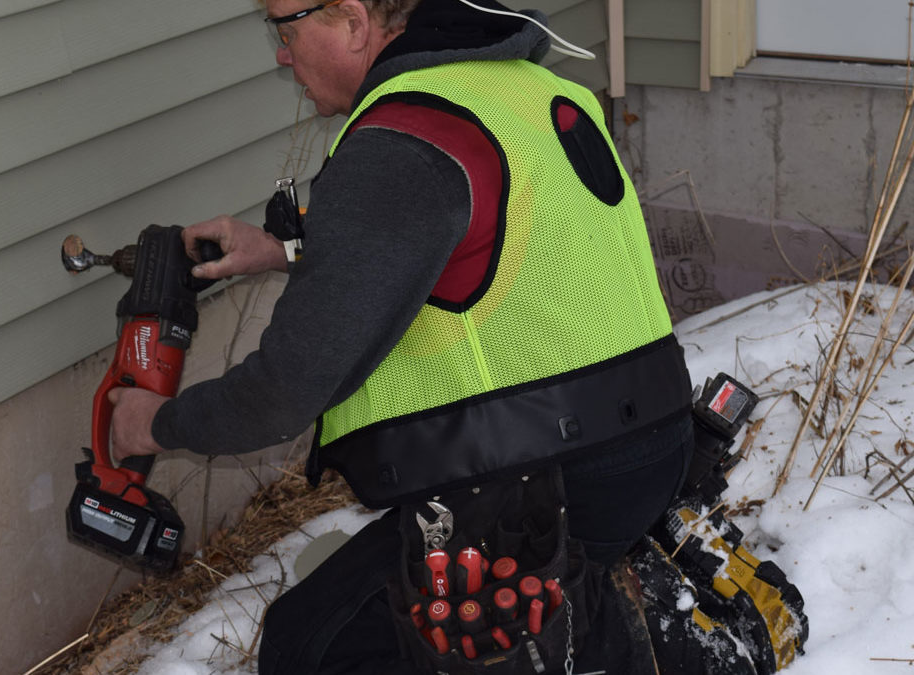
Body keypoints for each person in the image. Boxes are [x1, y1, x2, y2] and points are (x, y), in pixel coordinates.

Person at [107, 0, 694, 671]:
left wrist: (157, 424)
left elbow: (284, 391)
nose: (280, 52)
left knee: (313, 644)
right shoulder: (527, 89)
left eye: (285, 28)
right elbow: (483, 244)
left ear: (354, 20)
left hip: (539, 491)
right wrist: (289, 250)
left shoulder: (399, 137)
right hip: (645, 446)